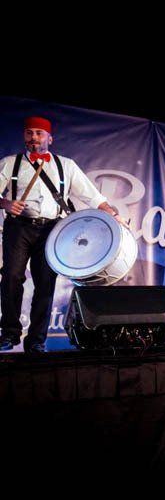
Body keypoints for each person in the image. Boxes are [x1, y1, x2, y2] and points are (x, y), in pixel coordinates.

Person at [0, 116, 126, 352]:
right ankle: (9, 333)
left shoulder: (66, 166)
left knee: (45, 284)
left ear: (50, 138)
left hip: (52, 231)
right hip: (18, 228)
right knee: (11, 278)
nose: (34, 137)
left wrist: (112, 214)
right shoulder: (10, 163)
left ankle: (36, 341)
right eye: (29, 133)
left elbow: (92, 196)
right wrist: (5, 203)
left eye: (39, 133)